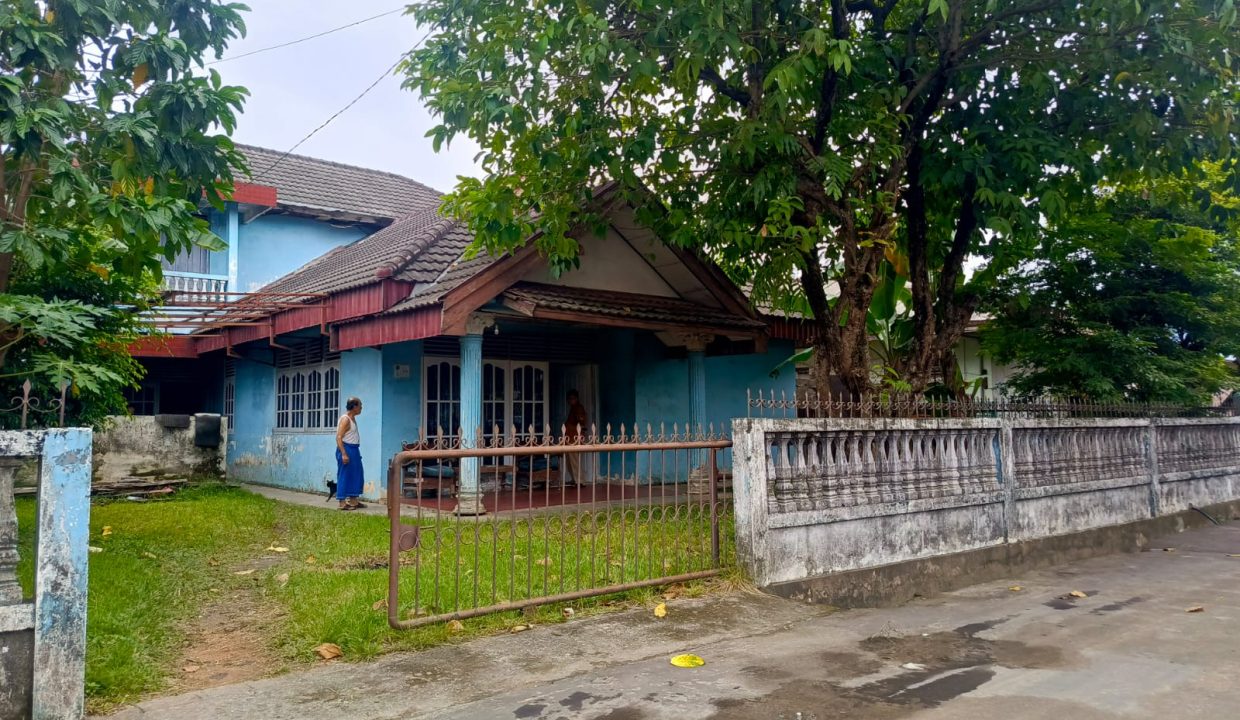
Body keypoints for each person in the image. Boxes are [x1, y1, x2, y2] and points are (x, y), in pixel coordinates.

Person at [335, 397, 366, 510]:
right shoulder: (346, 419)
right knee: (344, 475)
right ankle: (342, 502)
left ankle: (354, 500)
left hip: (353, 449)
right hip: (346, 449)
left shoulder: (352, 419)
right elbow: (338, 438)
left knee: (357, 474)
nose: (361, 407)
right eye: (360, 405)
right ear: (354, 407)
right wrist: (344, 454)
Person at [563, 389, 589, 486]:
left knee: (574, 460)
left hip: (574, 437)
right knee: (569, 461)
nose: (570, 401)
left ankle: (580, 480)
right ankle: (574, 479)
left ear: (576, 399)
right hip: (569, 437)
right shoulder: (573, 408)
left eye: (572, 398)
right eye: (569, 399)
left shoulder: (578, 408)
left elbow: (582, 422)